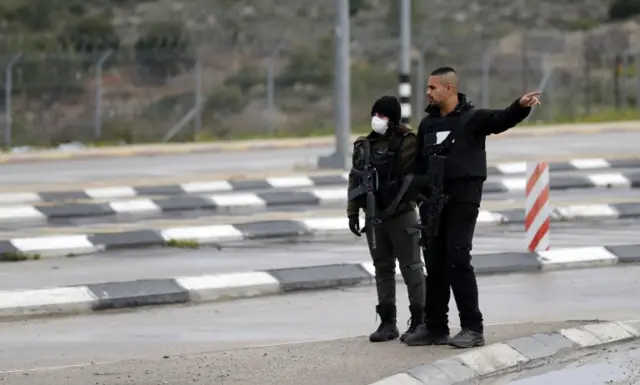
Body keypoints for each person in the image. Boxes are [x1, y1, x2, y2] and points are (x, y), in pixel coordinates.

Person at [402, 67, 541, 348]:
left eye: (432, 88)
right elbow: (419, 164)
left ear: (449, 89)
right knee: (435, 263)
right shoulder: (428, 125)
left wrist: (520, 107)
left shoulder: (471, 119)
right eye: (427, 88)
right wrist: (418, 194)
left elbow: (500, 119)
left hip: (462, 199)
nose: (428, 93)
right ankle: (435, 327)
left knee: (458, 259)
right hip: (432, 202)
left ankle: (472, 328)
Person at [347, 95, 427, 343]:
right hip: (374, 216)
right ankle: (387, 322)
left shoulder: (407, 141)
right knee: (382, 269)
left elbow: (413, 177)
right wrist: (353, 211)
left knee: (412, 268)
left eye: (382, 116)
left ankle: (420, 321)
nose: (377, 120)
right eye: (375, 115)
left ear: (392, 119)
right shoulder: (364, 146)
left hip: (402, 215)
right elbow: (356, 179)